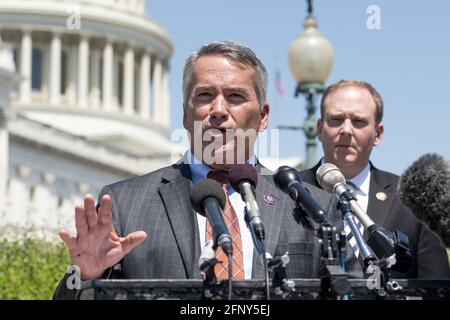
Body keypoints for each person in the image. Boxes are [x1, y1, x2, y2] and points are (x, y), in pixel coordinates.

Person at [53, 40, 342, 299]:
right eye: (204, 95)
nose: (218, 109)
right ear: (185, 114)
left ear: (263, 117)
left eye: (235, 97)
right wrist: (86, 276)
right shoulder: (125, 204)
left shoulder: (311, 208)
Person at [299, 80, 450, 279]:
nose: (346, 130)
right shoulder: (288, 192)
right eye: (336, 119)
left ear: (377, 134)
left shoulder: (413, 199)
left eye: (358, 121)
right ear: (319, 129)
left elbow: (435, 286)